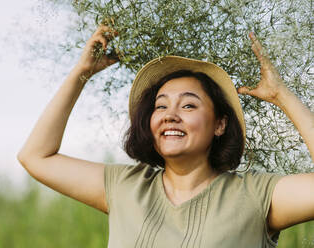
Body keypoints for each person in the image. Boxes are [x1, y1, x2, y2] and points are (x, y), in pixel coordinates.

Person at [17, 24, 314, 247]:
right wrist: (81, 73)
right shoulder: (125, 188)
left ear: (219, 124)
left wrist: (282, 96)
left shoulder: (254, 196)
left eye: (188, 105)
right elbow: (36, 157)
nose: (171, 114)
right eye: (161, 106)